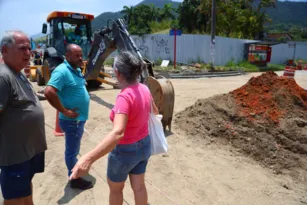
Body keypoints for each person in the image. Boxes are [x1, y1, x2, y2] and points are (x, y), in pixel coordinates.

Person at [69, 51, 159, 205]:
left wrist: (87, 158)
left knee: (116, 190)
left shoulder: (124, 97)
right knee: (139, 187)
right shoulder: (144, 88)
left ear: (117, 72)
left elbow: (118, 132)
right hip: (144, 145)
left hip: (125, 151)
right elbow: (155, 112)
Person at [0, 30, 47, 205]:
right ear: (4, 50)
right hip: (15, 155)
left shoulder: (18, 72)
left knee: (25, 188)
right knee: (15, 198)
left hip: (28, 151)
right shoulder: (3, 77)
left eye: (29, 48)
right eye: (22, 49)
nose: (28, 53)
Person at [44, 44, 93, 190]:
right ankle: (75, 179)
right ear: (68, 55)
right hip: (72, 121)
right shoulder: (62, 71)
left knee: (73, 150)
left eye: (81, 55)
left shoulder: (75, 69)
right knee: (71, 152)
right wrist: (64, 111)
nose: (80, 58)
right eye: (77, 55)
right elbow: (49, 92)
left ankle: (74, 173)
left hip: (78, 120)